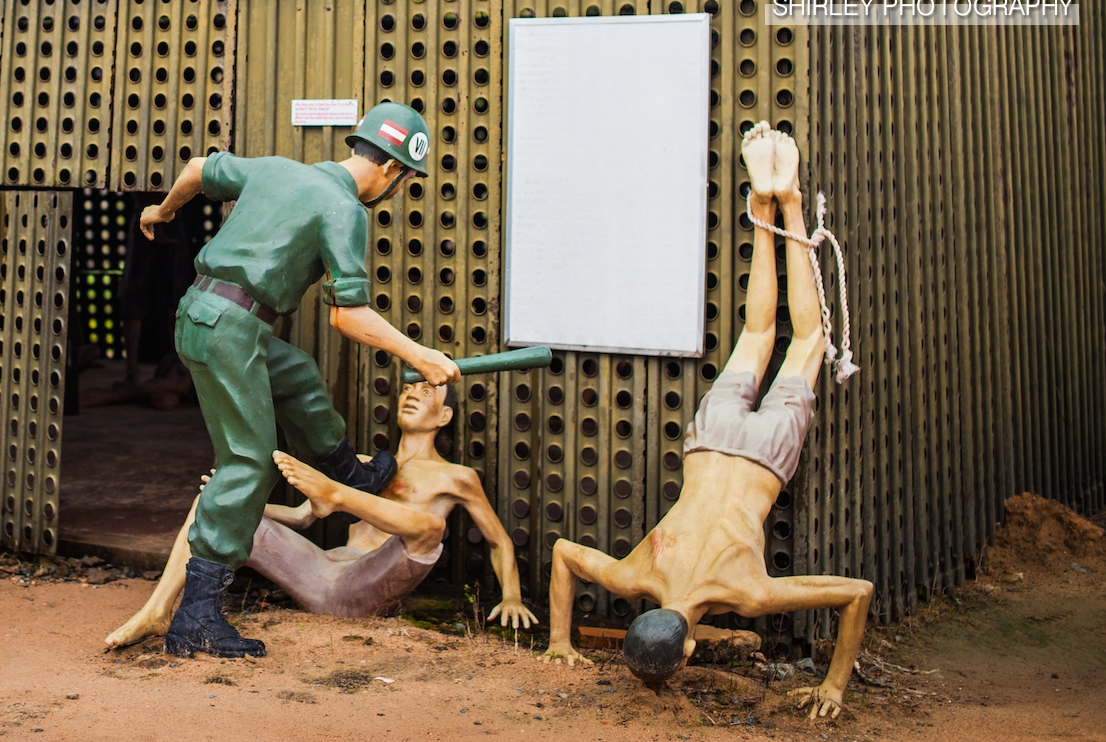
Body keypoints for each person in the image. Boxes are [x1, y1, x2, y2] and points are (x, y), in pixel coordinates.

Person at [538, 123, 871, 721]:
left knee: (808, 341)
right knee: (758, 333)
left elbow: (856, 593)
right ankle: (765, 200)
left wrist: (834, 686)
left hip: (764, 458)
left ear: (688, 645)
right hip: (710, 445)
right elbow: (564, 552)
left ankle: (789, 204)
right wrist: (558, 639)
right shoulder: (637, 570)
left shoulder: (746, 594)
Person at [135, 103, 460, 659]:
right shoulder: (346, 208)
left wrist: (162, 213)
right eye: (404, 181)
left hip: (208, 313)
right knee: (249, 461)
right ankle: (196, 618)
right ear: (393, 172)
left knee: (297, 372)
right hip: (230, 330)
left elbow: (194, 168)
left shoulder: (276, 168)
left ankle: (346, 472)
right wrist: (420, 353)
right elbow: (347, 315)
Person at [106, 380, 536, 648]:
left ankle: (335, 496)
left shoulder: (457, 477)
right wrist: (233, 501)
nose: (413, 394)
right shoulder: (365, 465)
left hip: (367, 587)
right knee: (212, 504)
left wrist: (512, 596)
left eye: (428, 392)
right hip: (319, 577)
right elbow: (300, 518)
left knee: (431, 527)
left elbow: (498, 540)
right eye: (409, 388)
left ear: (444, 415)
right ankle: (157, 609)